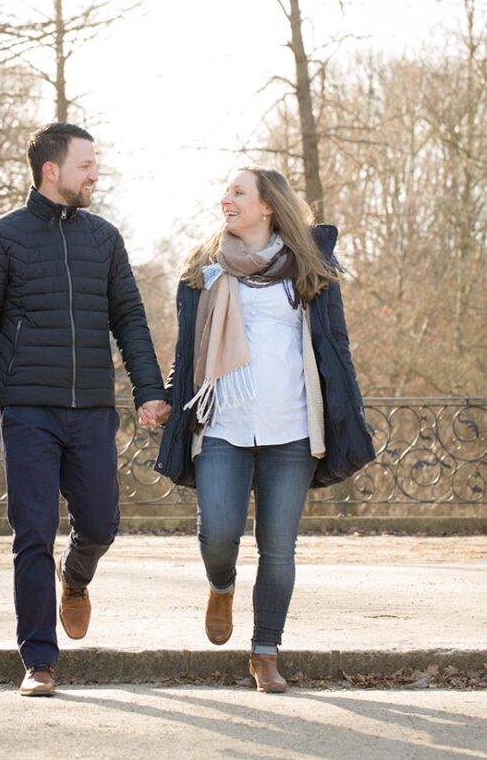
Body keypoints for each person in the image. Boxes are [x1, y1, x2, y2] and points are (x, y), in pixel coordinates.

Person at [0, 122, 169, 697]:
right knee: (32, 532)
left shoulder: (104, 238)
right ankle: (39, 660)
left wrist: (149, 389)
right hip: (28, 410)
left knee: (100, 523)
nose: (95, 173)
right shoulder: (3, 238)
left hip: (93, 407)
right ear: (52, 170)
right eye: (86, 164)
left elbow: (130, 321)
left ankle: (77, 577)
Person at [155, 167, 375, 693]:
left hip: (292, 429)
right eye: (226, 190)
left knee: (279, 548)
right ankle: (221, 584)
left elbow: (334, 347)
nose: (225, 199)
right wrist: (164, 399)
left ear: (268, 205)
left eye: (237, 192)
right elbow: (189, 351)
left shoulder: (308, 269)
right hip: (225, 425)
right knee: (218, 533)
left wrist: (349, 412)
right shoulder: (204, 270)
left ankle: (265, 652)